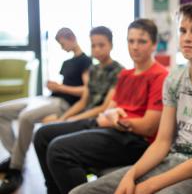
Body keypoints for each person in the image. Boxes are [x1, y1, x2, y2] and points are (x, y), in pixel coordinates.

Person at [70, 1, 192, 194]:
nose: (187, 38)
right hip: (170, 160)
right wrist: (132, 174)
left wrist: (152, 184)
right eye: (182, 30)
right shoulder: (174, 78)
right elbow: (162, 141)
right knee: (80, 192)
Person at [33, 19, 168, 194]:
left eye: (142, 41)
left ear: (154, 45)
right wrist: (111, 117)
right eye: (131, 41)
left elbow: (148, 127)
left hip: (134, 140)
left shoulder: (161, 75)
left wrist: (115, 120)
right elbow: (108, 110)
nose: (135, 47)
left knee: (58, 150)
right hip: (111, 128)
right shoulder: (126, 75)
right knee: (42, 135)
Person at [29, 25, 122, 194]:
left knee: (52, 141)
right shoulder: (93, 69)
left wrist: (74, 120)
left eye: (102, 45)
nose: (97, 49)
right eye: (93, 45)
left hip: (97, 119)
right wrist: (63, 118)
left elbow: (103, 107)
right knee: (41, 134)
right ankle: (53, 188)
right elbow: (83, 101)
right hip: (85, 115)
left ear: (111, 45)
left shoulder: (118, 71)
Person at [0, 27, 92, 193]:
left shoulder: (85, 61)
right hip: (48, 97)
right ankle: (16, 157)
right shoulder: (67, 62)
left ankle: (15, 168)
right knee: (2, 111)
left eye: (62, 43)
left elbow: (86, 90)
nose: (62, 47)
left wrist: (61, 87)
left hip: (63, 102)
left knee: (26, 118)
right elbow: (64, 85)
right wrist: (54, 86)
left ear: (71, 38)